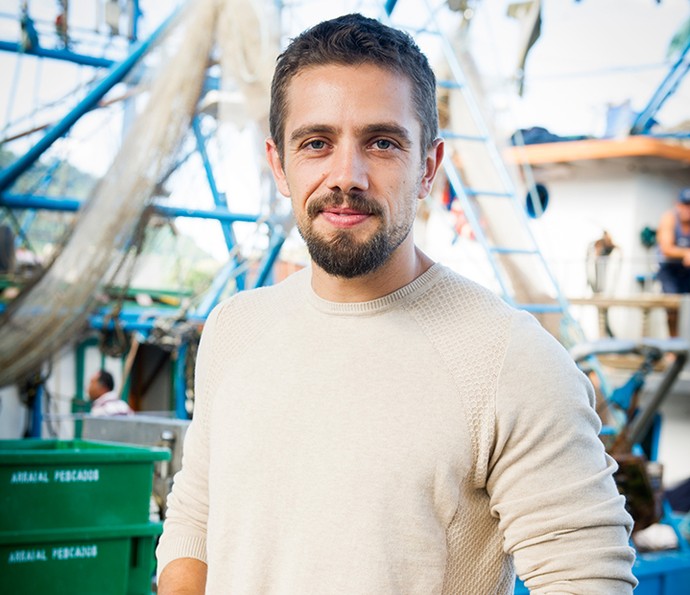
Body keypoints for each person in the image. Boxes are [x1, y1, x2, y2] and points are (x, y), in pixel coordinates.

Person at [156, 13, 637, 594]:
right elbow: (197, 518)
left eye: (382, 143)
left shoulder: (511, 361)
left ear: (427, 167)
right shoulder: (235, 328)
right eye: (316, 143)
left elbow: (586, 580)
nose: (347, 175)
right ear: (280, 165)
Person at [656, 187, 690, 336]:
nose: (687, 209)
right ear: (678, 204)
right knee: (672, 308)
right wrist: (686, 252)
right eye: (685, 204)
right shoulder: (669, 218)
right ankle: (674, 345)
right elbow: (666, 248)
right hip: (669, 269)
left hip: (687, 270)